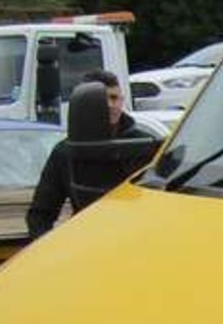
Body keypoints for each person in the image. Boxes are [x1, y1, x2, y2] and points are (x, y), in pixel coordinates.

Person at [26, 71, 160, 236]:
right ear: (84, 105)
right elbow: (40, 214)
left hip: (138, 237)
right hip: (88, 239)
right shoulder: (65, 151)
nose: (111, 105)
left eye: (114, 98)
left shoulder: (145, 145)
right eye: (103, 100)